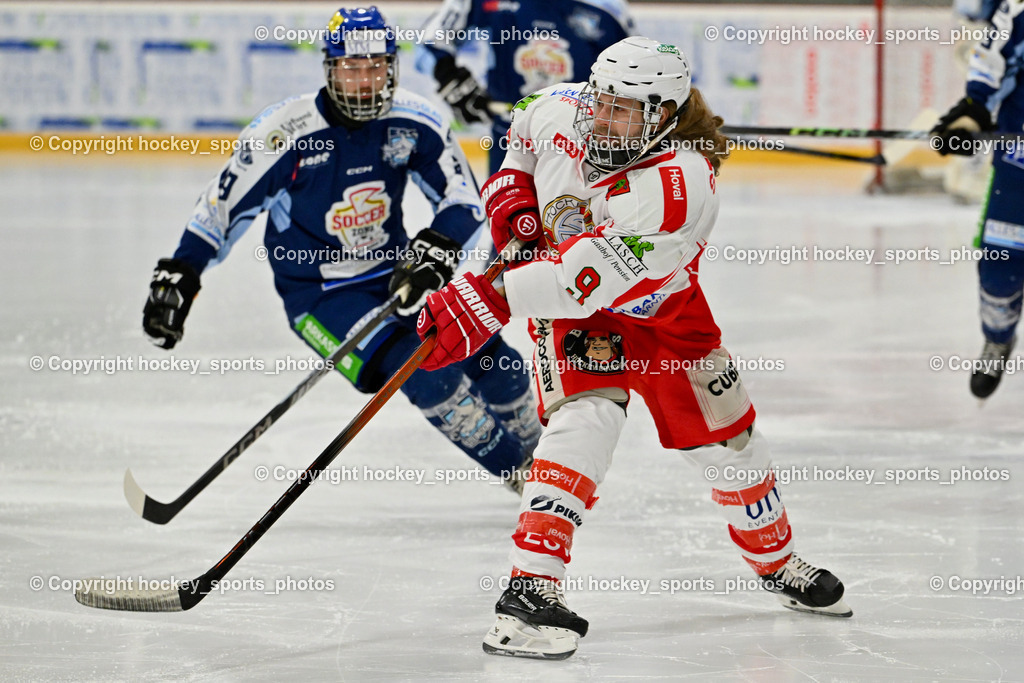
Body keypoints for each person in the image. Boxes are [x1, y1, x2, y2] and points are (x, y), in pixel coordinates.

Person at [416, 36, 852, 659]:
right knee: (585, 419)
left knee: (733, 449)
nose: (603, 119)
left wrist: (485, 299)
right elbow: (520, 140)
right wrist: (513, 202)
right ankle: (530, 590)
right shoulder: (558, 107)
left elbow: (579, 282)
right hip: (576, 310)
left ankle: (777, 561)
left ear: (664, 116)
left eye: (624, 111)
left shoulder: (681, 185)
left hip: (660, 315)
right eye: (602, 102)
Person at [141, 6, 540, 490]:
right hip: (322, 296)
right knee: (429, 375)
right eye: (352, 68)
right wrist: (182, 273)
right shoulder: (284, 134)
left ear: (392, 67)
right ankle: (525, 477)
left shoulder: (414, 121)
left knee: (497, 362)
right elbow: (220, 210)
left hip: (399, 275)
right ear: (330, 69)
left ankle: (545, 457)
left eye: (376, 67)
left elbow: (464, 201)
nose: (366, 81)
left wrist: (438, 247)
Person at [420, 0, 633, 175]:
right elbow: (433, 37)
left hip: (582, 141)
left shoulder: (608, 7)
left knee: (577, 213)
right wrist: (449, 77)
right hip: (509, 137)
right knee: (506, 211)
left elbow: (635, 66)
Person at [931, 1, 1024, 400]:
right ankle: (998, 338)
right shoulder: (1017, 9)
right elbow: (991, 62)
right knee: (999, 273)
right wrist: (970, 115)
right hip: (1018, 169)